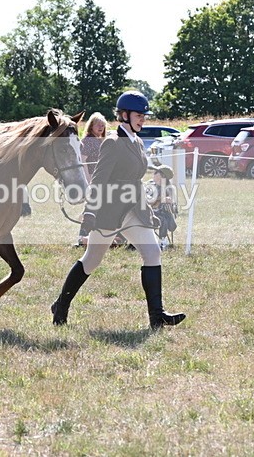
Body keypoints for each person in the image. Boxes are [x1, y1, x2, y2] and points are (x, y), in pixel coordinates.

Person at [51, 91, 186, 330]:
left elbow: (135, 180)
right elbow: (99, 180)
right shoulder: (112, 143)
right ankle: (61, 305)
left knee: (153, 252)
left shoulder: (137, 142)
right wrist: (91, 212)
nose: (143, 119)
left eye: (144, 115)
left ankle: (157, 316)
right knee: (91, 260)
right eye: (139, 115)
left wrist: (147, 209)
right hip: (110, 211)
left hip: (134, 209)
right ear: (124, 115)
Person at [76, 112, 108, 246]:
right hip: (93, 179)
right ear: (91, 126)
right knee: (91, 208)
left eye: (102, 125)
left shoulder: (102, 140)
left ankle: (96, 235)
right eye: (97, 124)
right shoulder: (88, 141)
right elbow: (83, 162)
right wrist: (89, 181)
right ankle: (82, 237)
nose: (100, 127)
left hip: (102, 179)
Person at [146, 164, 177, 249]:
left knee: (162, 218)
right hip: (149, 211)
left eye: (156, 172)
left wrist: (163, 200)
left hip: (164, 213)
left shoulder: (169, 188)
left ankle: (162, 240)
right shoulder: (150, 184)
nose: (153, 174)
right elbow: (147, 200)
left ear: (163, 176)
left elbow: (170, 203)